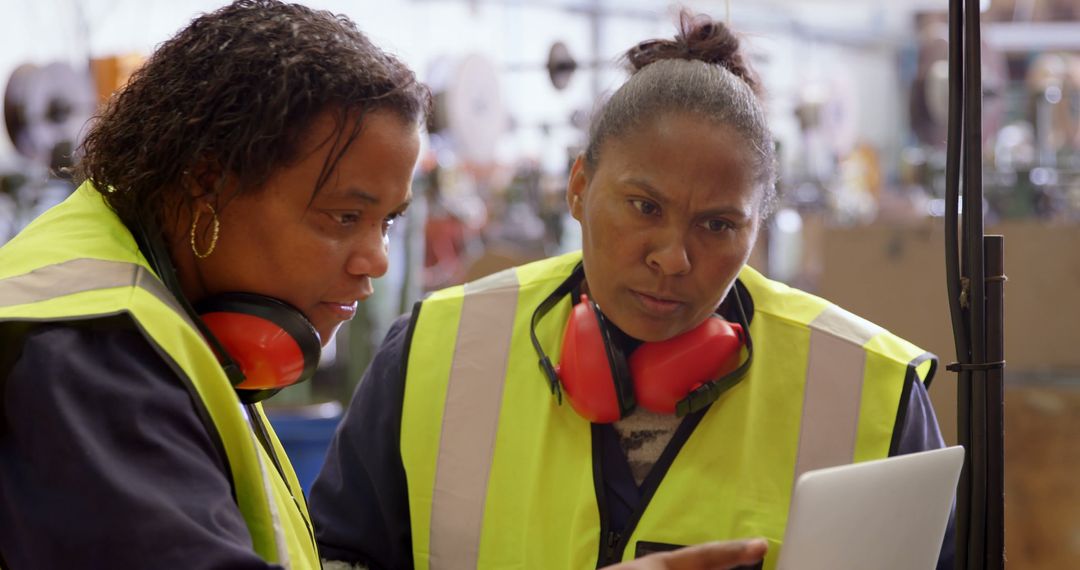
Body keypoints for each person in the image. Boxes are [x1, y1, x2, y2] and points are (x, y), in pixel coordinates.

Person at [310, 12, 953, 570]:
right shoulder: (434, 355)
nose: (673, 257)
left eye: (719, 225)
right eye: (644, 206)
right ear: (579, 187)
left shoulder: (871, 396)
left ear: (758, 229)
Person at [0, 1, 426, 568]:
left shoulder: (164, 321)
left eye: (389, 221)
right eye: (344, 216)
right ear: (208, 182)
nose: (377, 260)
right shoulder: (90, 350)